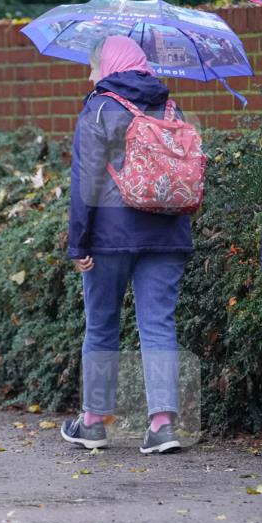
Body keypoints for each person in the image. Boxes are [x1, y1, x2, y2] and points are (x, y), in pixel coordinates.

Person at [62, 35, 193, 455]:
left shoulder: (99, 106)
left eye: (93, 65)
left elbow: (85, 182)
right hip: (168, 232)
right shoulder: (172, 105)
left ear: (110, 65)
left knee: (101, 325)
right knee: (159, 325)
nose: (90, 74)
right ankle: (162, 425)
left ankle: (95, 421)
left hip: (109, 238)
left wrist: (77, 243)